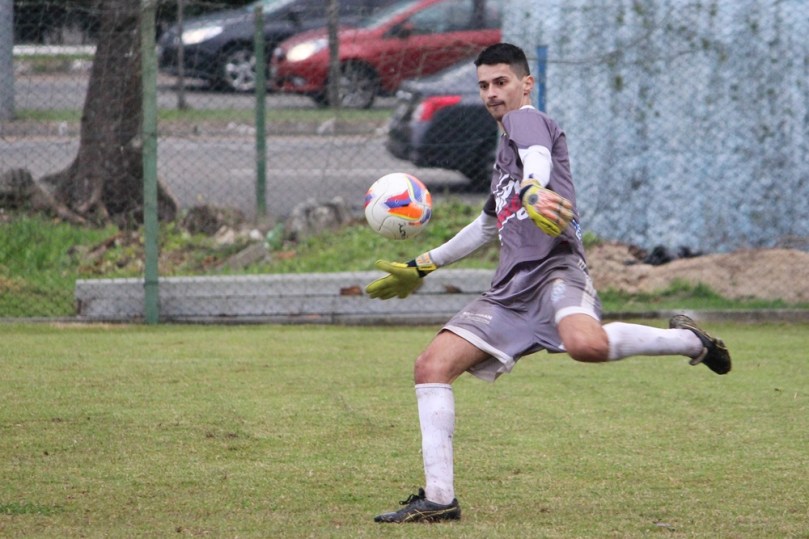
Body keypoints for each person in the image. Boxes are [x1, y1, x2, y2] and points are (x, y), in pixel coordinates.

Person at [365, 42, 731, 524]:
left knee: (586, 346)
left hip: (557, 270)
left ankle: (690, 341)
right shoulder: (503, 155)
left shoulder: (528, 121)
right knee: (431, 366)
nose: (492, 94)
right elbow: (486, 226)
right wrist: (422, 265)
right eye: (483, 86)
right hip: (510, 290)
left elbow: (536, 157)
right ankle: (439, 499)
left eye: (501, 82)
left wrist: (533, 187)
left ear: (526, 84)